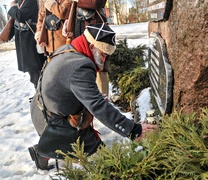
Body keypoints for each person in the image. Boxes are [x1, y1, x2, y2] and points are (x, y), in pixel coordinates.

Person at [28, 23, 158, 170]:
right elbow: (97, 106)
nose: (104, 61)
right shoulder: (80, 66)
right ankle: (45, 148)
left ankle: (43, 149)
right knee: (102, 157)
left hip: (40, 109)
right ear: (91, 47)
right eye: (103, 54)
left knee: (74, 138)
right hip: (50, 122)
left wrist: (91, 97)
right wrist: (133, 130)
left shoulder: (69, 49)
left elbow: (71, 88)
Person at [8, 0, 46, 89]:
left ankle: (40, 93)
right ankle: (38, 92)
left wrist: (12, 7)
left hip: (29, 41)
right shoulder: (21, 1)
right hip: (25, 41)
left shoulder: (30, 1)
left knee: (36, 70)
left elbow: (20, 16)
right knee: (33, 72)